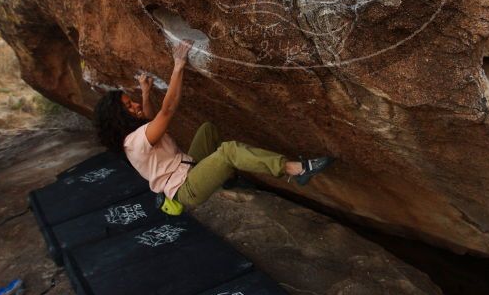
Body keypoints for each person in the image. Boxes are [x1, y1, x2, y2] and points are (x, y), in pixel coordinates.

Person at [93, 39, 336, 212]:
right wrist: (178, 66)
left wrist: (145, 93)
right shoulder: (135, 142)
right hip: (186, 189)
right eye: (128, 106)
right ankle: (297, 170)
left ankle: (225, 177)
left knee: (208, 130)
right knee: (228, 151)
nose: (134, 105)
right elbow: (166, 110)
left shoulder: (135, 135)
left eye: (131, 102)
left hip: (189, 166)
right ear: (118, 118)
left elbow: (148, 118)